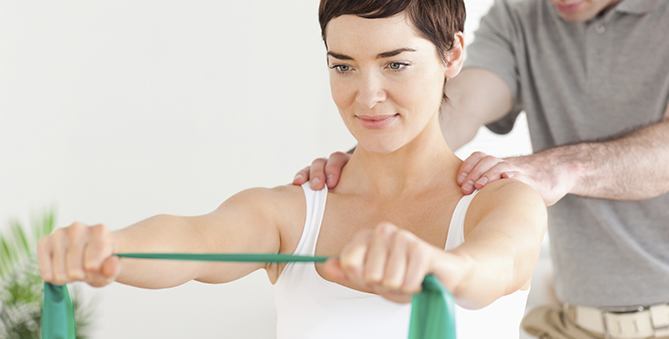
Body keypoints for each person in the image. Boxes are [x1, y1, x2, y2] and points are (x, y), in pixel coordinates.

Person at [37, 0, 548, 338]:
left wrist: (434, 268)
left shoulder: (500, 200)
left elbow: (491, 270)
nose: (366, 96)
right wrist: (104, 249)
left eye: (396, 63)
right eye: (343, 65)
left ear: (452, 54)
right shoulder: (292, 211)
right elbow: (194, 239)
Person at [295, 0, 669, 338]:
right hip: (572, 319)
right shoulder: (522, 16)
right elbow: (461, 104)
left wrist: (562, 168)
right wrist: (363, 160)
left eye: (393, 62)